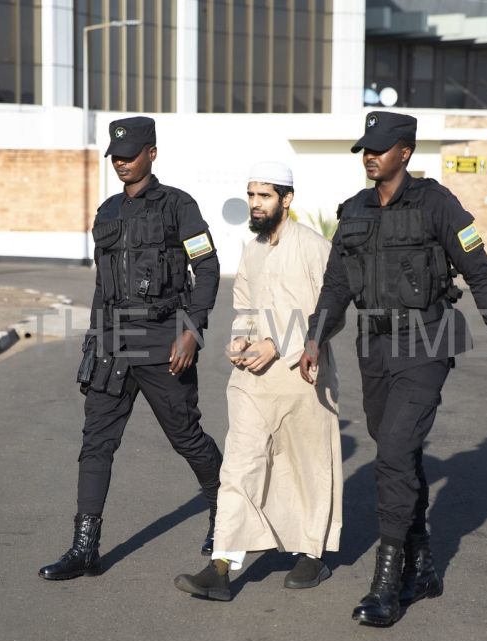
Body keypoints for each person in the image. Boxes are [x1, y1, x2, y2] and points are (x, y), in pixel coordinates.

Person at [299, 111, 487, 627]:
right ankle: (423, 565)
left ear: (405, 151)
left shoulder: (437, 204)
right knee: (394, 450)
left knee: (394, 452)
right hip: (374, 347)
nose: (369, 155)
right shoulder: (353, 211)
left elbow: (478, 271)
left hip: (427, 342)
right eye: (365, 149)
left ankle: (387, 584)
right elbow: (336, 285)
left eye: (380, 147)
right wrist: (314, 337)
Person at [39, 116, 223, 581]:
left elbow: (209, 270)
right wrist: (93, 339)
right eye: (116, 156)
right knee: (95, 442)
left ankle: (227, 515)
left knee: (185, 436)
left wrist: (191, 331)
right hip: (112, 344)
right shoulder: (107, 212)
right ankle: (85, 548)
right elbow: (104, 286)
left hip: (165, 340)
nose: (121, 162)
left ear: (152, 153)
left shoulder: (180, 206)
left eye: (130, 154)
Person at [172, 162, 343, 601]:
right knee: (239, 465)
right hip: (252, 380)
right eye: (251, 195)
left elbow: (333, 310)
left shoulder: (314, 246)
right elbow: (245, 303)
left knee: (309, 467)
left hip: (303, 376)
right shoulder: (250, 249)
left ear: (286, 199)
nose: (255, 204)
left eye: (264, 196)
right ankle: (222, 567)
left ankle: (312, 554)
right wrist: (242, 341)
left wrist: (280, 343)